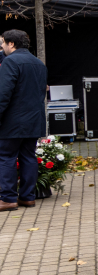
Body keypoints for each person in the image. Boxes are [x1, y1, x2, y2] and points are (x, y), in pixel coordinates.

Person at [0, 30, 47, 211]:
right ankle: (27, 197)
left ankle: (8, 199)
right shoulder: (38, 63)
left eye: (3, 42)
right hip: (34, 120)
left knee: (6, 157)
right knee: (28, 156)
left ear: (11, 43)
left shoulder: (10, 61)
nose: (2, 46)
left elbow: (4, 93)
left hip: (13, 121)